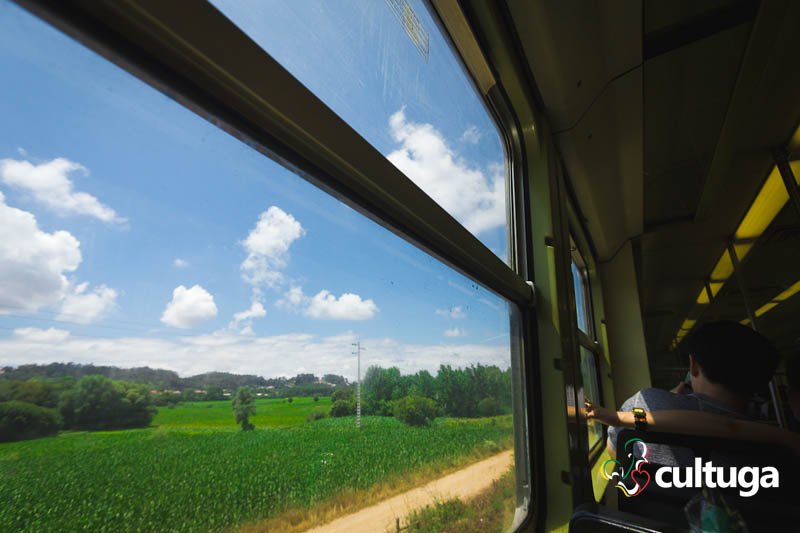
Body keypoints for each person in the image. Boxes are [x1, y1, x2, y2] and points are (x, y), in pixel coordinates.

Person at [603, 321, 779, 465]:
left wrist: (669, 402)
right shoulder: (777, 444)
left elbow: (613, 451)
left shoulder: (646, 402)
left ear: (693, 365)